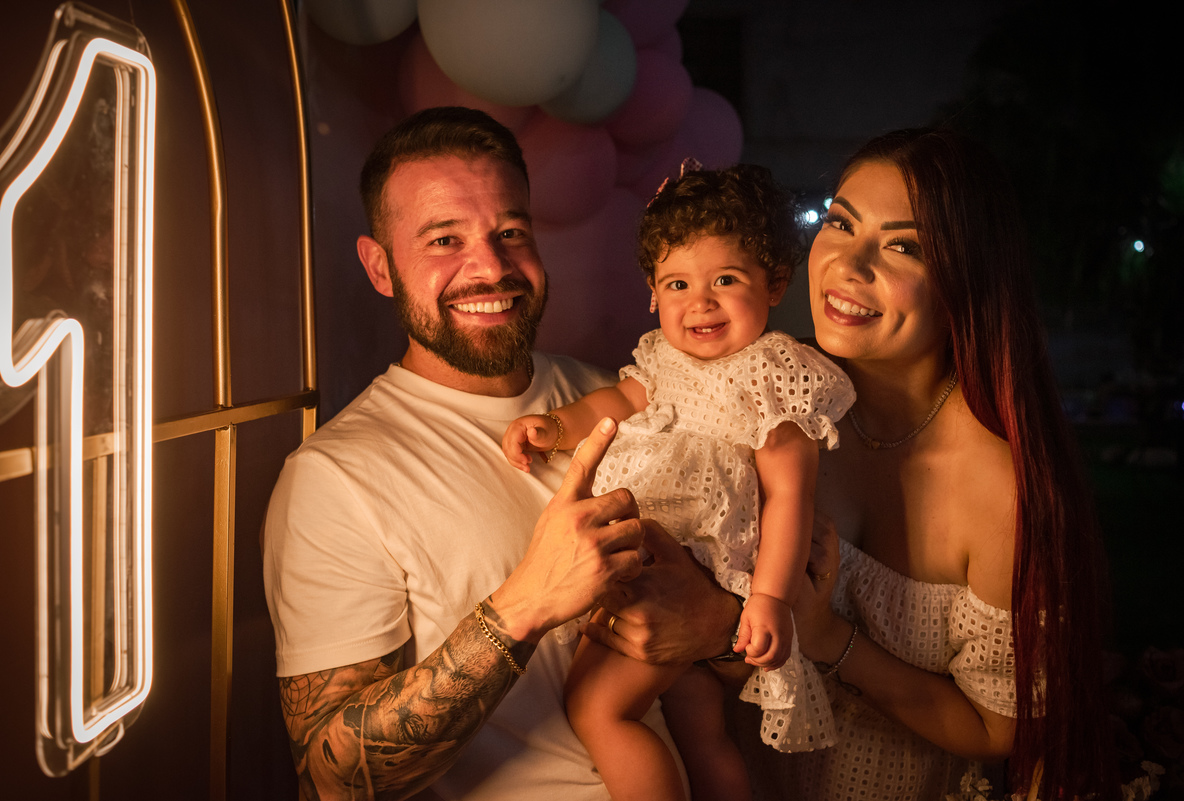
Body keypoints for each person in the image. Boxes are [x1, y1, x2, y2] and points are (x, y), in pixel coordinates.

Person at [261, 106, 743, 801]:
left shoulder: (615, 394)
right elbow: (333, 773)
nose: (489, 266)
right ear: (380, 266)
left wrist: (716, 626)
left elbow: (754, 636)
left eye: (510, 231)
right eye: (444, 239)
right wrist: (524, 605)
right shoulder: (336, 478)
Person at [731, 128, 1117, 800]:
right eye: (840, 223)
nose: (849, 264)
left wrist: (828, 638)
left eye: (903, 245)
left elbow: (1000, 730)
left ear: (965, 280)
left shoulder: (1002, 490)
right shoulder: (770, 389)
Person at [502, 163, 856, 801]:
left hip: (691, 566)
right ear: (652, 292)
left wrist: (770, 599)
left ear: (774, 283)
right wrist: (554, 427)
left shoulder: (774, 375)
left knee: (597, 710)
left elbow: (789, 498)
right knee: (700, 730)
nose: (701, 302)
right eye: (678, 283)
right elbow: (613, 399)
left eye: (726, 279)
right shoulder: (661, 362)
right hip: (656, 558)